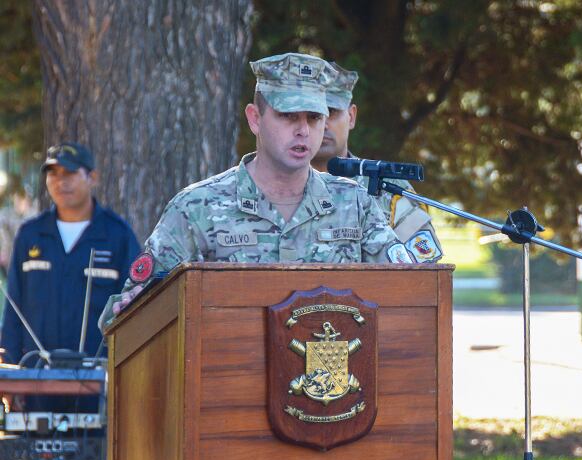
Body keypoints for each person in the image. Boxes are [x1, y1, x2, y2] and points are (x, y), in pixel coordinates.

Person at [101, 53, 412, 326]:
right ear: (254, 118)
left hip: (332, 387)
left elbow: (408, 293)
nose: (303, 129)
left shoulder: (355, 204)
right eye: (288, 116)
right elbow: (127, 316)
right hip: (228, 382)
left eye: (315, 117)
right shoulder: (196, 208)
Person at [1, 143, 140, 411]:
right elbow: (13, 311)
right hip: (34, 385)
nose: (60, 181)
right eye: (53, 173)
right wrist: (9, 376)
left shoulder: (117, 235)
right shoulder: (30, 234)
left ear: (93, 178)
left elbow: (134, 309)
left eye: (70, 173)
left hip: (98, 387)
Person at [312, 61, 442, 263]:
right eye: (313, 115)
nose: (323, 123)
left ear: (351, 116)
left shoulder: (391, 190)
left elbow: (422, 272)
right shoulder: (271, 186)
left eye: (332, 111)